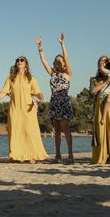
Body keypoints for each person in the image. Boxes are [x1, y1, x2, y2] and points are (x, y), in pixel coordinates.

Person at [0, 56, 48, 163]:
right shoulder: (11, 78)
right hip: (15, 109)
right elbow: (4, 91)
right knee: (16, 132)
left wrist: (40, 96)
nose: (19, 62)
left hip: (28, 110)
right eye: (17, 60)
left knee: (30, 132)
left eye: (21, 60)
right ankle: (15, 156)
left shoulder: (31, 79)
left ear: (26, 64)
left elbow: (37, 91)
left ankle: (32, 156)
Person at [36, 34, 74, 164]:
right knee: (56, 130)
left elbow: (67, 57)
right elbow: (44, 62)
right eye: (56, 60)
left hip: (63, 101)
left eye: (60, 60)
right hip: (54, 102)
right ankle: (58, 155)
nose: (58, 61)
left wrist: (62, 44)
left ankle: (70, 155)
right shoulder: (53, 73)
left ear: (63, 63)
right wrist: (40, 48)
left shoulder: (67, 73)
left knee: (65, 128)